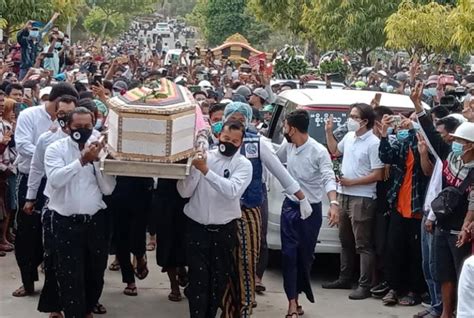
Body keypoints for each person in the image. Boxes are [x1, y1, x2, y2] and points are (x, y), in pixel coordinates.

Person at [221, 102, 306, 317]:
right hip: (220, 209)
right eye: (233, 118)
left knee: (247, 259)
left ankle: (245, 305)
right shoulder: (216, 141)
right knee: (223, 260)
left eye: (241, 119)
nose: (237, 123)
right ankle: (227, 306)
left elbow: (279, 171)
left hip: (248, 208)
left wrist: (300, 196)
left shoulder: (256, 142)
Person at [44, 107, 116, 317]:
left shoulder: (101, 149)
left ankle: (87, 308)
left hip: (95, 222)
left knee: (95, 271)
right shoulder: (56, 149)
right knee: (69, 273)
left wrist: (98, 163)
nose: (83, 131)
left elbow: (108, 189)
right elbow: (56, 180)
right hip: (66, 222)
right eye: (78, 127)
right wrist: (81, 161)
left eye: (88, 126)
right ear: (67, 127)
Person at [177, 120, 252, 318]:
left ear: (241, 143)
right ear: (219, 136)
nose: (229, 143)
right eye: (226, 138)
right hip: (197, 229)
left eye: (235, 141)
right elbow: (184, 192)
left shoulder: (243, 165)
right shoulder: (205, 157)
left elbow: (232, 191)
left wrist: (205, 171)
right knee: (198, 280)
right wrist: (193, 169)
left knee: (217, 282)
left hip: (224, 231)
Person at [412, 82, 474, 318]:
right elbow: (429, 132)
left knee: (463, 275)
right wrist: (417, 106)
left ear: (470, 146)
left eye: (460, 141)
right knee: (443, 273)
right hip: (442, 225)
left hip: (463, 232)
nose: (454, 143)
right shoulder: (450, 157)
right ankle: (446, 312)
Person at [13, 82, 79, 297]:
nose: (65, 116)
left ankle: (56, 283)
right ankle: (28, 280)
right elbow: (22, 146)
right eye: (61, 111)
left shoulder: (76, 125)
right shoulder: (30, 116)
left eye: (70, 111)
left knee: (56, 234)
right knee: (27, 233)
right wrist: (49, 156)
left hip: (61, 183)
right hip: (34, 179)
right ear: (53, 101)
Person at [276, 109, 339, 318]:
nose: (284, 130)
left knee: (305, 256)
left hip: (310, 211)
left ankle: (298, 294)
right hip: (290, 206)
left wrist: (333, 203)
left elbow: (329, 177)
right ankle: (291, 302)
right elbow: (275, 163)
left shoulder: (318, 151)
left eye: (285, 126)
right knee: (288, 255)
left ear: (292, 128)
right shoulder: (288, 146)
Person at [323, 103, 384, 300]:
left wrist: (353, 181)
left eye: (355, 117)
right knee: (345, 240)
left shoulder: (373, 143)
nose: (351, 120)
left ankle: (364, 284)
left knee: (362, 244)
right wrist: (329, 131)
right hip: (344, 194)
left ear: (365, 121)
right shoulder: (349, 137)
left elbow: (378, 174)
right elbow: (335, 150)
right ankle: (344, 278)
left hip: (363, 197)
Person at [378, 114, 433, 307]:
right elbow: (386, 156)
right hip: (398, 205)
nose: (402, 125)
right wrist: (384, 134)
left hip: (417, 207)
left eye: (407, 122)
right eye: (401, 122)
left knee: (415, 253)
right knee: (393, 249)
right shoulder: (402, 144)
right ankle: (394, 287)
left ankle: (414, 290)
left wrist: (416, 130)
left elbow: (428, 170)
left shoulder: (424, 145)